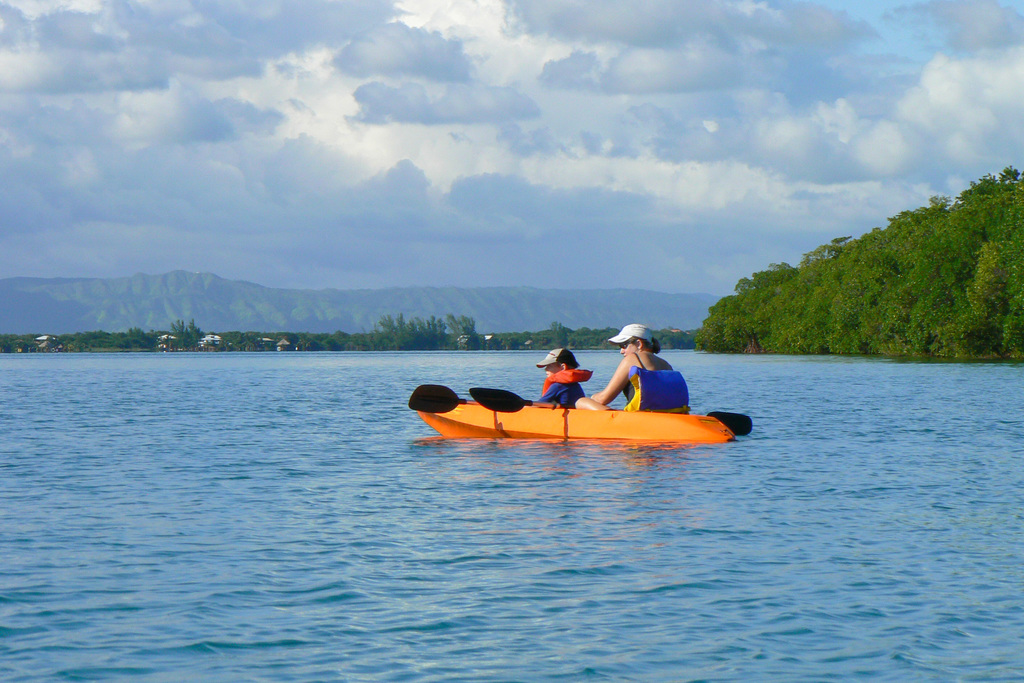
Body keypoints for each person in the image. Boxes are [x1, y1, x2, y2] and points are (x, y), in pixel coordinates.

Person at [575, 323, 689, 412]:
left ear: (639, 344)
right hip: (667, 417)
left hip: (640, 419)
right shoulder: (666, 365)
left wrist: (592, 398)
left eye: (624, 345)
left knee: (581, 401)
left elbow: (604, 399)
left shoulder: (632, 359)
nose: (621, 351)